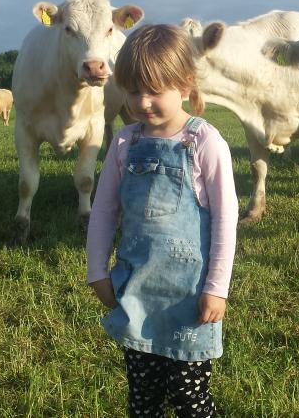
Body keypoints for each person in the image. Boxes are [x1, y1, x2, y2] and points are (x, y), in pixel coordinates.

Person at [86, 24, 238, 417]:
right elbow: (103, 209)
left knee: (190, 399)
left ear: (185, 85)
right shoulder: (125, 142)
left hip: (190, 298)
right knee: (143, 398)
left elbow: (226, 217)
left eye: (154, 91)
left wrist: (217, 288)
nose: (142, 101)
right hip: (136, 291)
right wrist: (97, 272)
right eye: (133, 90)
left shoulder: (204, 142)